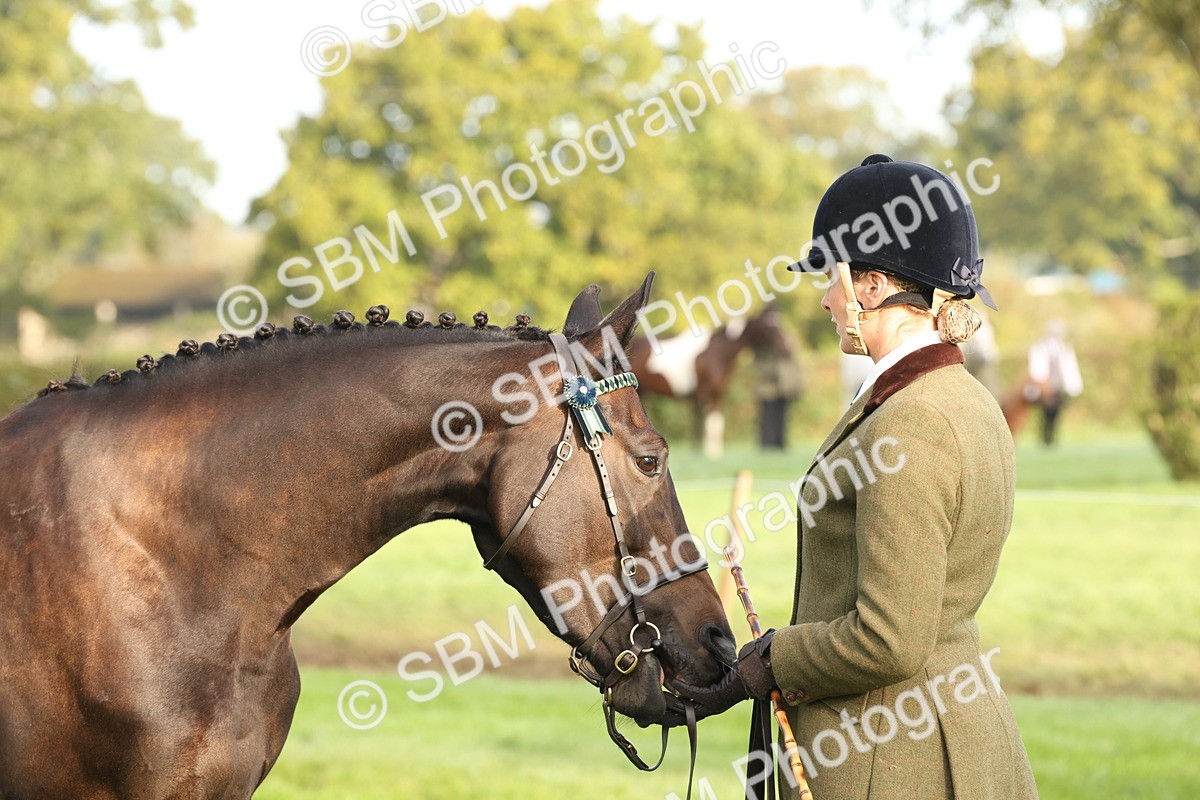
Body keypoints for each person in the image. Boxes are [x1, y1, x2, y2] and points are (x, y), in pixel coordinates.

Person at [675, 155, 1038, 799]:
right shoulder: (964, 397)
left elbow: (889, 640)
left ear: (871, 286)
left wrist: (771, 661)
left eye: (831, 279)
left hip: (892, 762)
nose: (825, 298)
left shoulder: (914, 421)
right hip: (954, 739)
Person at [752, 309, 804, 449]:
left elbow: (793, 362)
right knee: (767, 417)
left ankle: (780, 443)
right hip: (767, 388)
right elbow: (759, 366)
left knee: (782, 417)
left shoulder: (785, 337)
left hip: (784, 386)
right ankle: (767, 444)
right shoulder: (761, 344)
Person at [1027, 320, 1083, 445]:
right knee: (1045, 414)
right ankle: (1045, 438)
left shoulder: (1064, 349)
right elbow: (1037, 369)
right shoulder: (1040, 348)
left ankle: (1051, 439)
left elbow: (1069, 369)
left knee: (1055, 414)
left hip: (1057, 388)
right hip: (1044, 387)